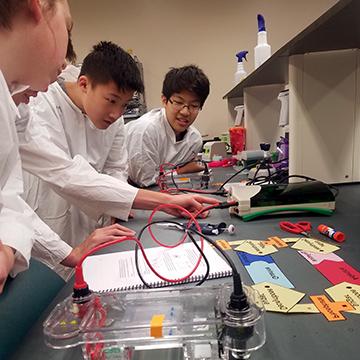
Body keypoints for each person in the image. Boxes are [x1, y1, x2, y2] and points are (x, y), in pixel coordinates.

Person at [17, 42, 218, 262]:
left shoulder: (115, 115)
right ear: (84, 84)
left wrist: (116, 205)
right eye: (111, 101)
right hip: (48, 228)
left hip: (94, 228)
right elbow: (67, 176)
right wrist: (163, 201)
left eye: (123, 105)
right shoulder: (40, 106)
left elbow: (116, 166)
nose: (116, 114)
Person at [0, 0, 135, 293]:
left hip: (59, 241)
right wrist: (157, 200)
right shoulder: (34, 100)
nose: (64, 64)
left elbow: (7, 198)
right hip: (50, 237)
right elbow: (64, 174)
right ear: (38, 7)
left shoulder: (12, 98)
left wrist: (8, 244)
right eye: (68, 26)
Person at [125, 65, 210, 187]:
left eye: (194, 105)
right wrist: (182, 171)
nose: (185, 112)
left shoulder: (194, 140)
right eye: (179, 103)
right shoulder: (146, 131)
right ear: (164, 100)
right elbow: (144, 182)